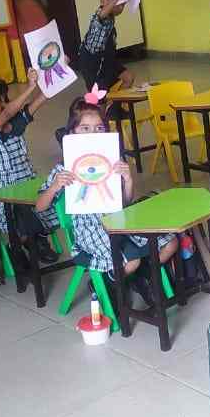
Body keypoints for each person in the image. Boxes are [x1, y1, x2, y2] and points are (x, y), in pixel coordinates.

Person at [35, 93, 178, 306]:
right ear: (72, 132)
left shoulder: (112, 160)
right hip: (90, 230)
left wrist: (128, 179)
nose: (93, 133)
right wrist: (55, 186)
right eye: (85, 128)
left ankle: (141, 276)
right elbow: (40, 207)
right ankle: (110, 281)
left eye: (99, 128)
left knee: (171, 243)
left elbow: (125, 202)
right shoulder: (63, 168)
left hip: (119, 220)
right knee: (132, 261)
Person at [0, 72, 59, 264]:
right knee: (16, 220)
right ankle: (17, 247)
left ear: (1, 100)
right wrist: (30, 87)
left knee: (44, 206)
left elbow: (41, 100)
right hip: (3, 188)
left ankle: (38, 240)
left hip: (26, 180)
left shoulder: (15, 124)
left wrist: (56, 72)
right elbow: (7, 113)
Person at [78, 0, 135, 94]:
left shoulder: (111, 17)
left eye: (123, 5)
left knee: (128, 77)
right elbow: (102, 14)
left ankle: (115, 103)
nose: (121, 8)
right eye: (119, 4)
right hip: (93, 64)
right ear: (103, 1)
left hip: (107, 60)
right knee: (100, 96)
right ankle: (104, 104)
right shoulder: (100, 16)